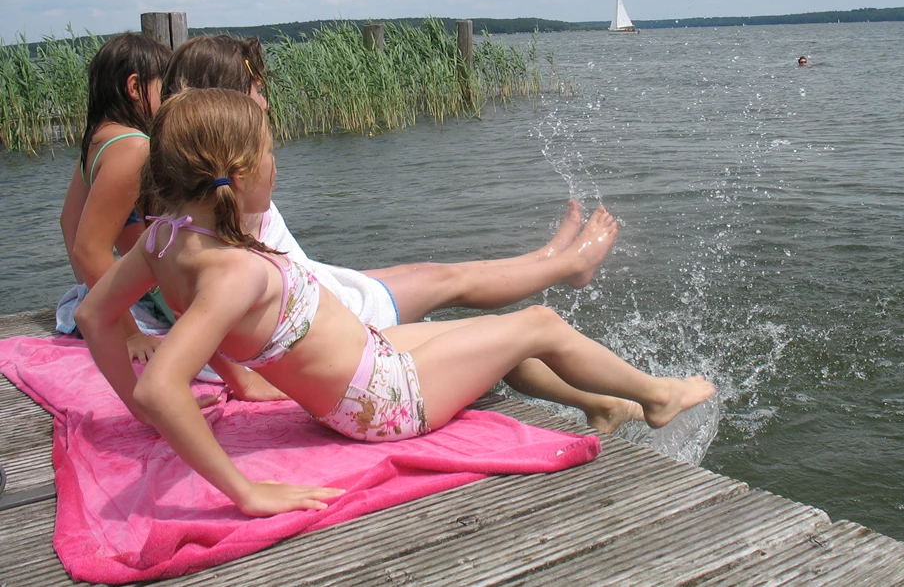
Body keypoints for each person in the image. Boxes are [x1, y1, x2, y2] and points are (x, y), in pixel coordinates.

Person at [75, 89, 717, 517]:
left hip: (361, 369)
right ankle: (656, 398)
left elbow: (93, 316)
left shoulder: (165, 239)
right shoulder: (232, 274)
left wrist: (145, 420)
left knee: (479, 333)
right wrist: (244, 491)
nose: (277, 162)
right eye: (271, 151)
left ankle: (599, 405)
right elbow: (165, 385)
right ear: (238, 174)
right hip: (382, 401)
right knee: (537, 322)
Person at [162, 35, 644, 433]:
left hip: (316, 294)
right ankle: (565, 264)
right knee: (449, 282)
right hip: (334, 326)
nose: (265, 100)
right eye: (256, 89)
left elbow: (193, 298)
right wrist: (246, 379)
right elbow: (218, 305)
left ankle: (550, 257)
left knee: (440, 278)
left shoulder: (188, 208)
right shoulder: (232, 198)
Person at [59, 33, 172, 363]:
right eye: (163, 90)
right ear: (135, 88)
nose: (169, 100)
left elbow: (69, 222)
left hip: (143, 289)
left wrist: (90, 290)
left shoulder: (98, 141)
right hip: (163, 291)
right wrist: (130, 332)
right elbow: (89, 248)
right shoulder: (133, 147)